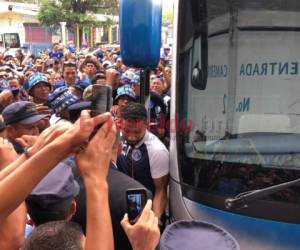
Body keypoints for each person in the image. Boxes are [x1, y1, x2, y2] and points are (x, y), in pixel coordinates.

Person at [117, 102, 169, 220]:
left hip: (144, 212)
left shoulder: (157, 150)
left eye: (137, 132)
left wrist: (154, 222)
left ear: (147, 125)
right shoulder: (116, 137)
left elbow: (161, 191)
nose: (131, 137)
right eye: (127, 131)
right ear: (121, 124)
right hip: (118, 206)